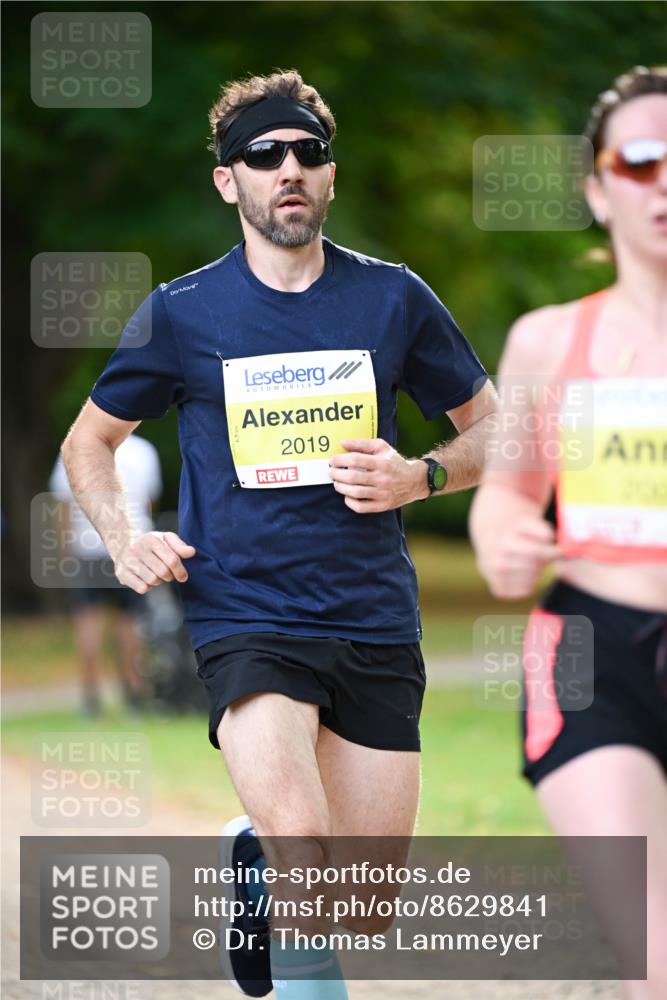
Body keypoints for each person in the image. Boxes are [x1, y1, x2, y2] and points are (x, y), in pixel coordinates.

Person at [60, 69, 496, 998]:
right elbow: (90, 441)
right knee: (310, 863)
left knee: (363, 904)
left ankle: (247, 852)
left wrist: (418, 476)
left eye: (307, 152)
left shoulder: (393, 299)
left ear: (330, 176)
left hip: (373, 614)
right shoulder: (181, 312)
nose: (287, 168)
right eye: (263, 155)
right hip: (244, 613)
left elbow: (495, 431)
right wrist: (126, 533)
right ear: (229, 182)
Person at [469, 66, 667, 999]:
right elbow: (504, 492)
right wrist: (504, 541)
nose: (663, 178)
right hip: (591, 652)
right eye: (639, 160)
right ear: (596, 188)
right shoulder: (548, 341)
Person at [49, 431, 162, 715]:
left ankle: (90, 700)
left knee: (88, 621)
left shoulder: (75, 446)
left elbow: (63, 506)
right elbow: (150, 503)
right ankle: (134, 697)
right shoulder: (143, 450)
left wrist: (66, 554)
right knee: (131, 622)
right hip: (132, 544)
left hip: (87, 547)